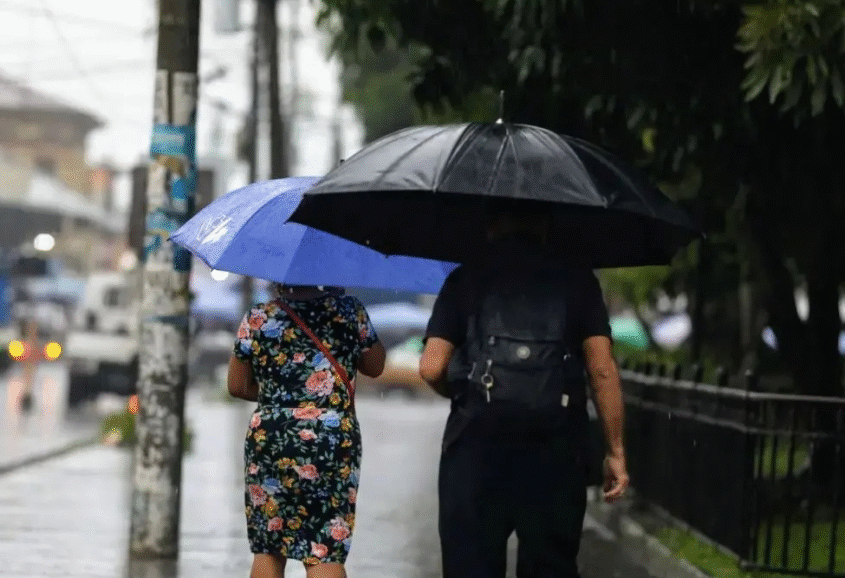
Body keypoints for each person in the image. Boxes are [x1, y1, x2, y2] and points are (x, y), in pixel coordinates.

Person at [418, 202, 629, 578]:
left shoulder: (466, 278)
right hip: (556, 451)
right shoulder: (577, 279)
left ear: (490, 224)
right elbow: (601, 369)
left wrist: (468, 395)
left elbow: (431, 366)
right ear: (546, 224)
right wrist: (615, 450)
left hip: (475, 451)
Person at [228, 283, 386, 578]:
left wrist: (282, 400)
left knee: (269, 547)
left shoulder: (258, 317)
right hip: (331, 438)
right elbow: (375, 367)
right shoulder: (350, 312)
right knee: (324, 548)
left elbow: (237, 386)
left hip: (271, 437)